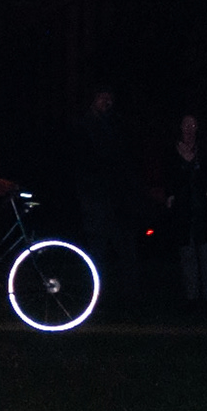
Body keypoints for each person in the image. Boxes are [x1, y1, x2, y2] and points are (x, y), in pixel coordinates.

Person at [72, 86, 136, 279]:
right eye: (102, 97)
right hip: (95, 199)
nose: (107, 102)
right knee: (97, 248)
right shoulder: (83, 126)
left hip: (117, 198)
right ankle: (96, 288)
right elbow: (83, 162)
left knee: (125, 246)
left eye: (110, 98)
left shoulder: (116, 124)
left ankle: (129, 289)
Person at [160, 112, 207, 310]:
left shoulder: (205, 150)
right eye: (186, 125)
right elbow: (169, 178)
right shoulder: (172, 151)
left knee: (206, 254)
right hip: (183, 212)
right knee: (187, 255)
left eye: (193, 125)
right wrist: (171, 195)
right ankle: (191, 298)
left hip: (203, 211)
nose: (189, 129)